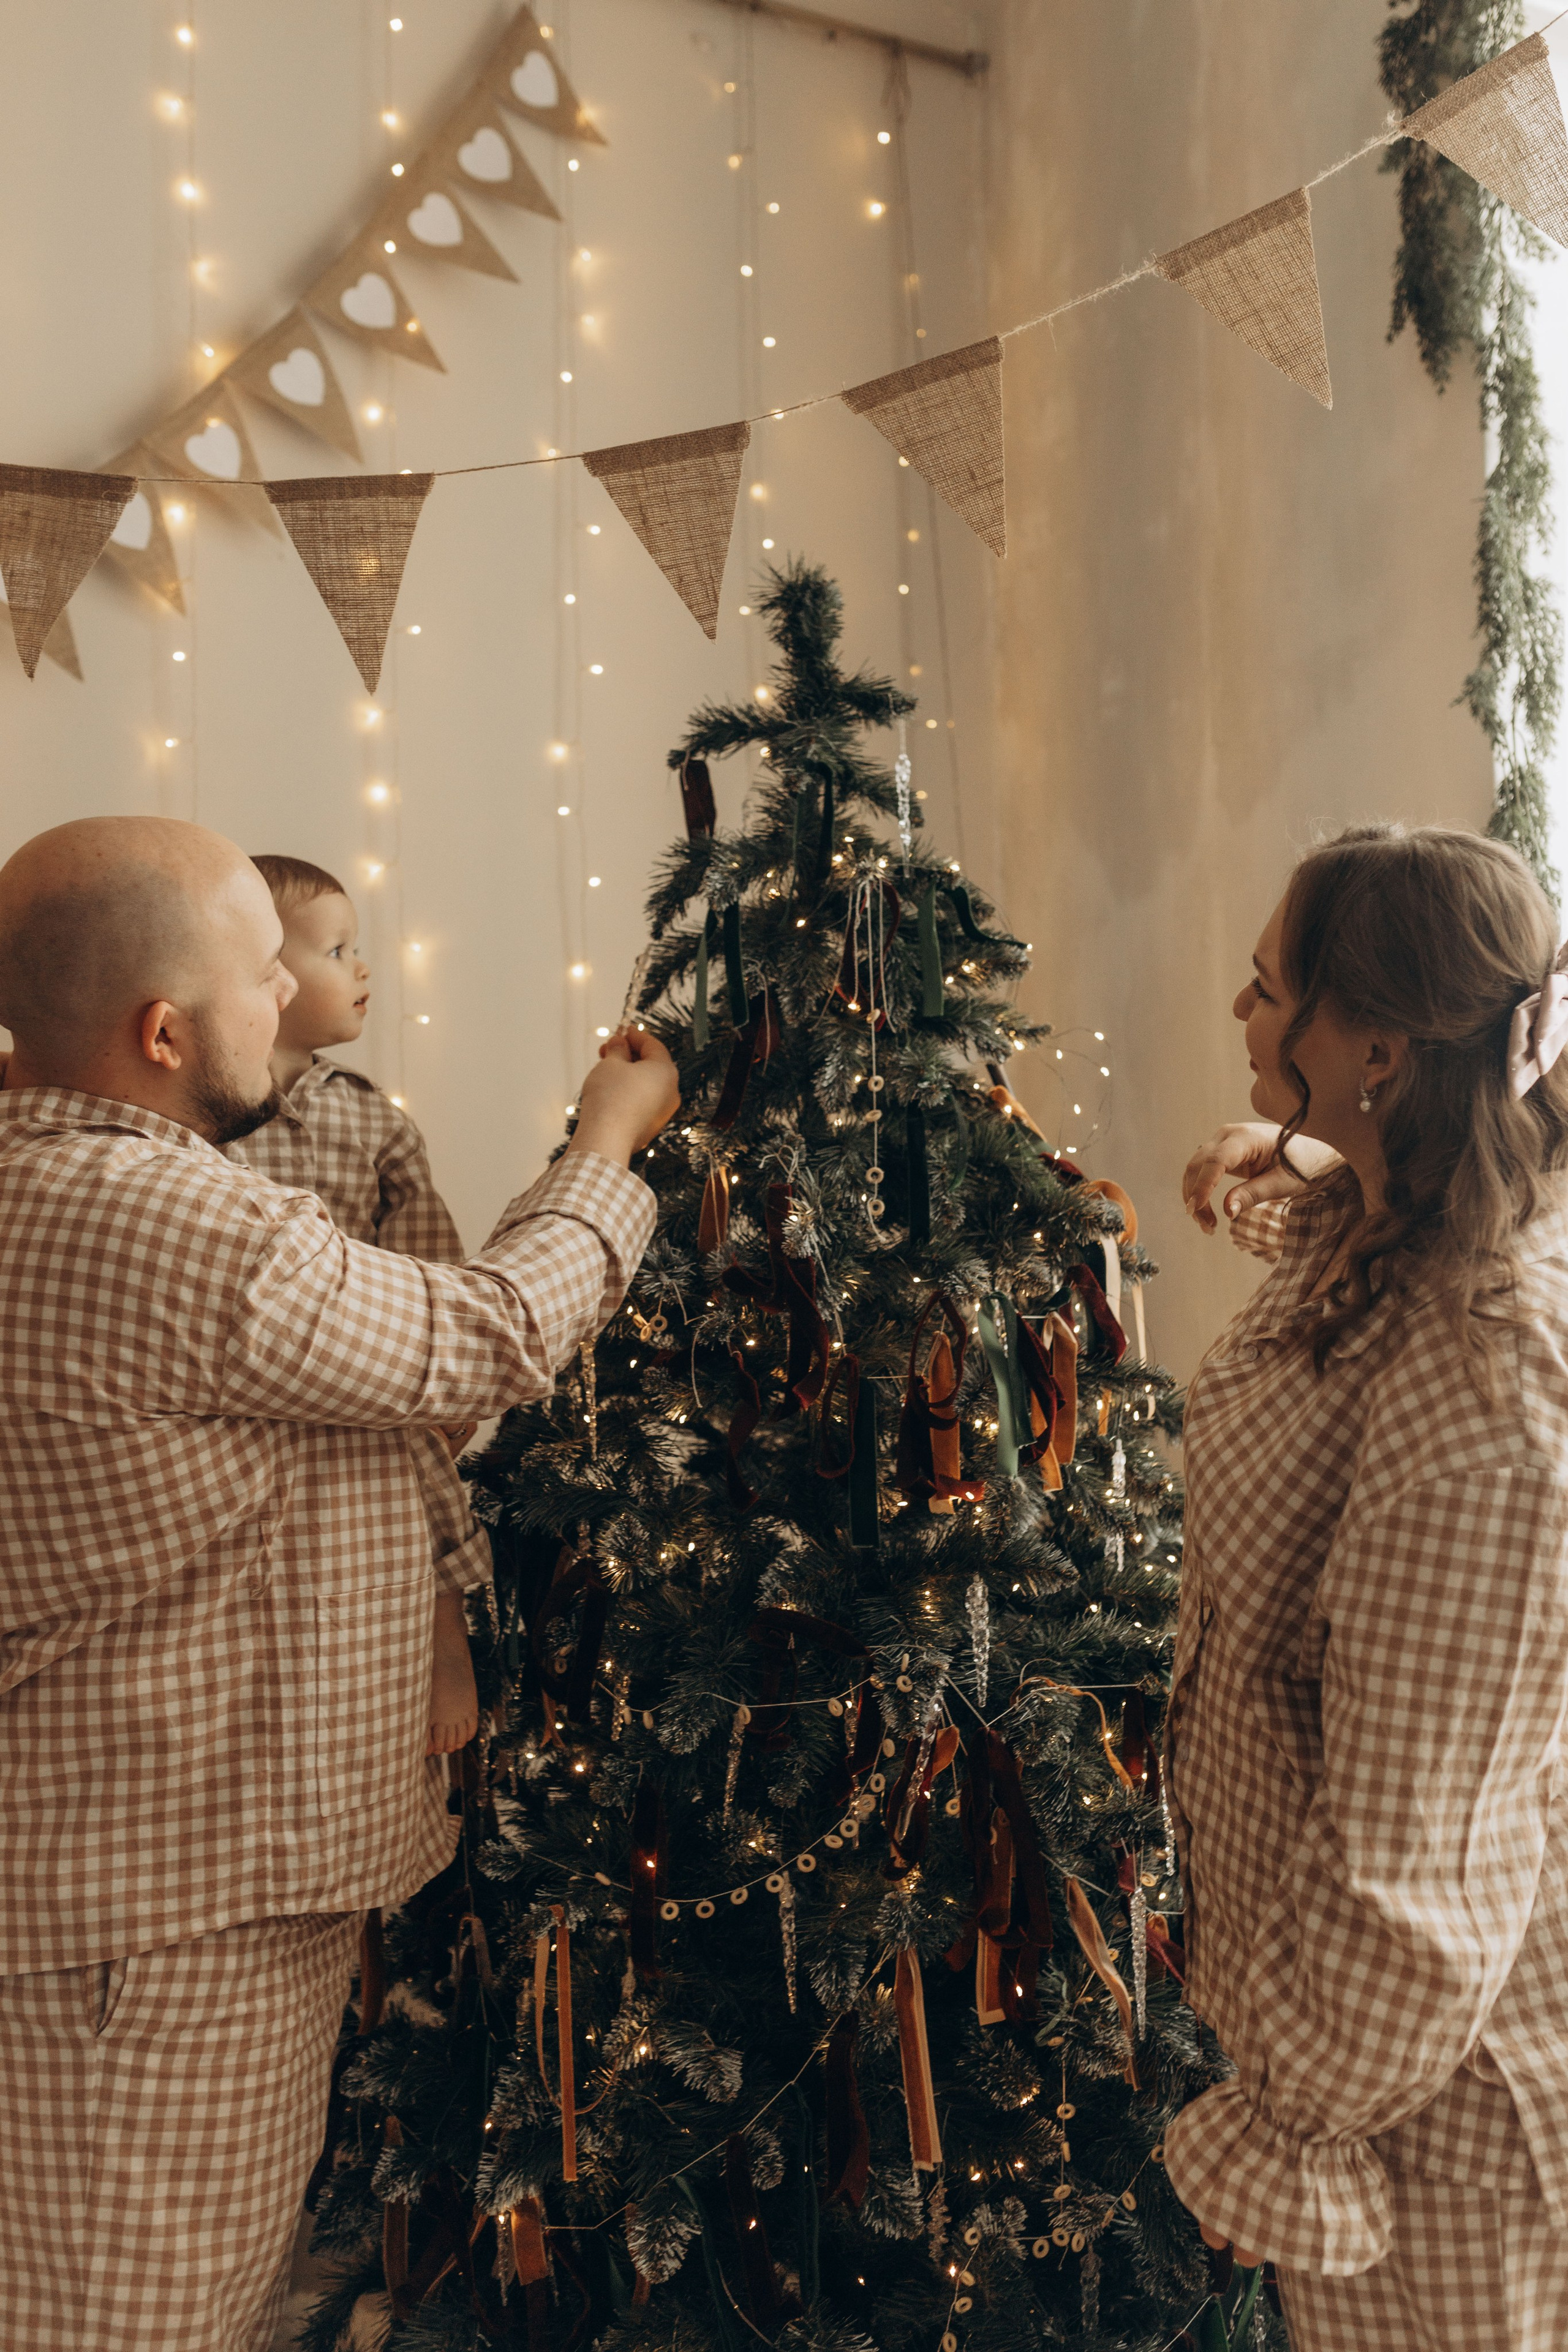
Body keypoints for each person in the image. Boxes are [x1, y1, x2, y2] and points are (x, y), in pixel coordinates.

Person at [0, 814, 677, 2352]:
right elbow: (483, 1340)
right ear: (165, 1032)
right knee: (141, 2320)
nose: (286, 1012)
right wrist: (605, 1142)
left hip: (148, 1898)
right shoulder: (159, 1217)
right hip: (159, 1931)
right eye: (260, 978)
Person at [1167, 822, 1568, 2350]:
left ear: (1379, 1050)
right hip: (1381, 2079)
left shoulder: (1482, 1386)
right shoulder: (1403, 1216)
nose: (1240, 1012)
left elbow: (1423, 1849)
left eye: (1271, 991)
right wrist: (1252, 1160)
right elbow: (1327, 1250)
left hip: (1433, 2119)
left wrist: (1293, 2127)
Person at [227, 853, 480, 1758]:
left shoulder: (372, 1120)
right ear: (267, 975)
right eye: (339, 950)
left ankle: (445, 1636)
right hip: (259, 1375)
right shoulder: (203, 1114)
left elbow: (433, 1256)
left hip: (373, 1359)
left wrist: (452, 1394)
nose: (364, 969)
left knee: (417, 1476)